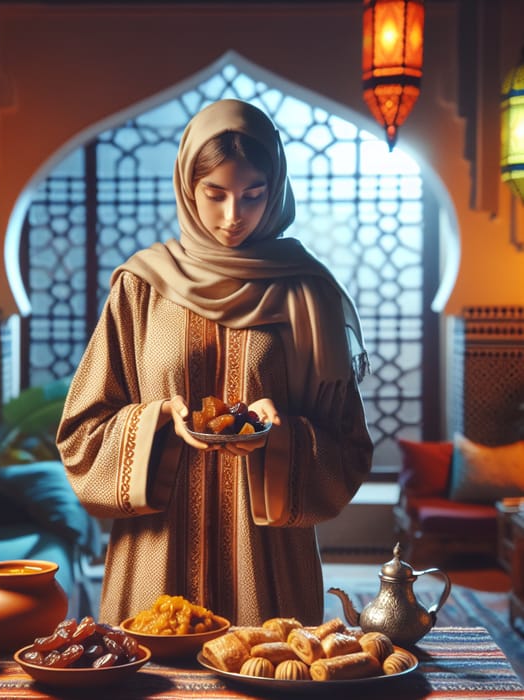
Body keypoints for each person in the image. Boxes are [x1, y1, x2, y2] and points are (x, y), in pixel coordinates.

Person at [56, 98, 373, 627]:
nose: (233, 217)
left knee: (268, 676)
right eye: (215, 194)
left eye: (254, 195)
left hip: (268, 565)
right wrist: (157, 418)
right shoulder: (141, 287)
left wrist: (280, 432)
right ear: (187, 187)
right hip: (155, 556)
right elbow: (81, 433)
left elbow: (347, 448)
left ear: (275, 193)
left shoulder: (307, 292)